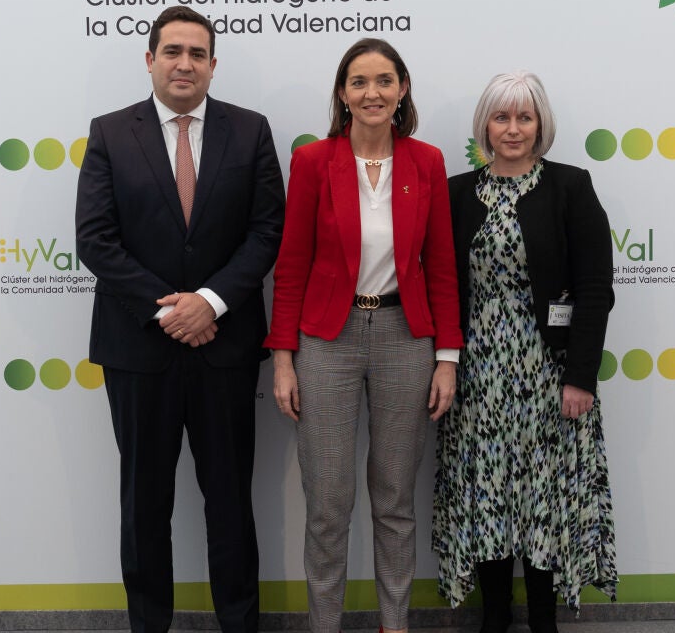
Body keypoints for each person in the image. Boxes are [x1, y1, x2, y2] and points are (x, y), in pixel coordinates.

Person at [75, 5, 285, 633]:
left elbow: (266, 231)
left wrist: (210, 302)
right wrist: (170, 309)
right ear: (150, 60)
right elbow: (95, 239)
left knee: (230, 501)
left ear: (213, 65)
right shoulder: (111, 132)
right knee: (144, 505)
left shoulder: (250, 131)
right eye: (172, 51)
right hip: (139, 350)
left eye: (197, 53)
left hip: (224, 346)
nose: (184, 63)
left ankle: (240, 624)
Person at [264, 38, 462, 633]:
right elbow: (291, 266)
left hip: (407, 339)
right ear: (342, 93)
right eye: (359, 82)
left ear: (402, 89)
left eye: (383, 80)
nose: (372, 93)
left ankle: (393, 625)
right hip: (328, 341)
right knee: (328, 502)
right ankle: (324, 625)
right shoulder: (312, 162)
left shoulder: (427, 161)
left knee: (395, 499)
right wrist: (283, 359)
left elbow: (442, 266)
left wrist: (447, 357)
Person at [433, 71, 618, 633]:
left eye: (524, 117)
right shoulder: (455, 193)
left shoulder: (570, 186)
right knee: (485, 489)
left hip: (548, 370)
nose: (512, 129)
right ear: (484, 126)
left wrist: (580, 377)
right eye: (501, 117)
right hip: (476, 370)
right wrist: (444, 363)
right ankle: (493, 616)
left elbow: (595, 288)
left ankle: (543, 619)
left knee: (543, 493)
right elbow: (440, 284)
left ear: (541, 125)